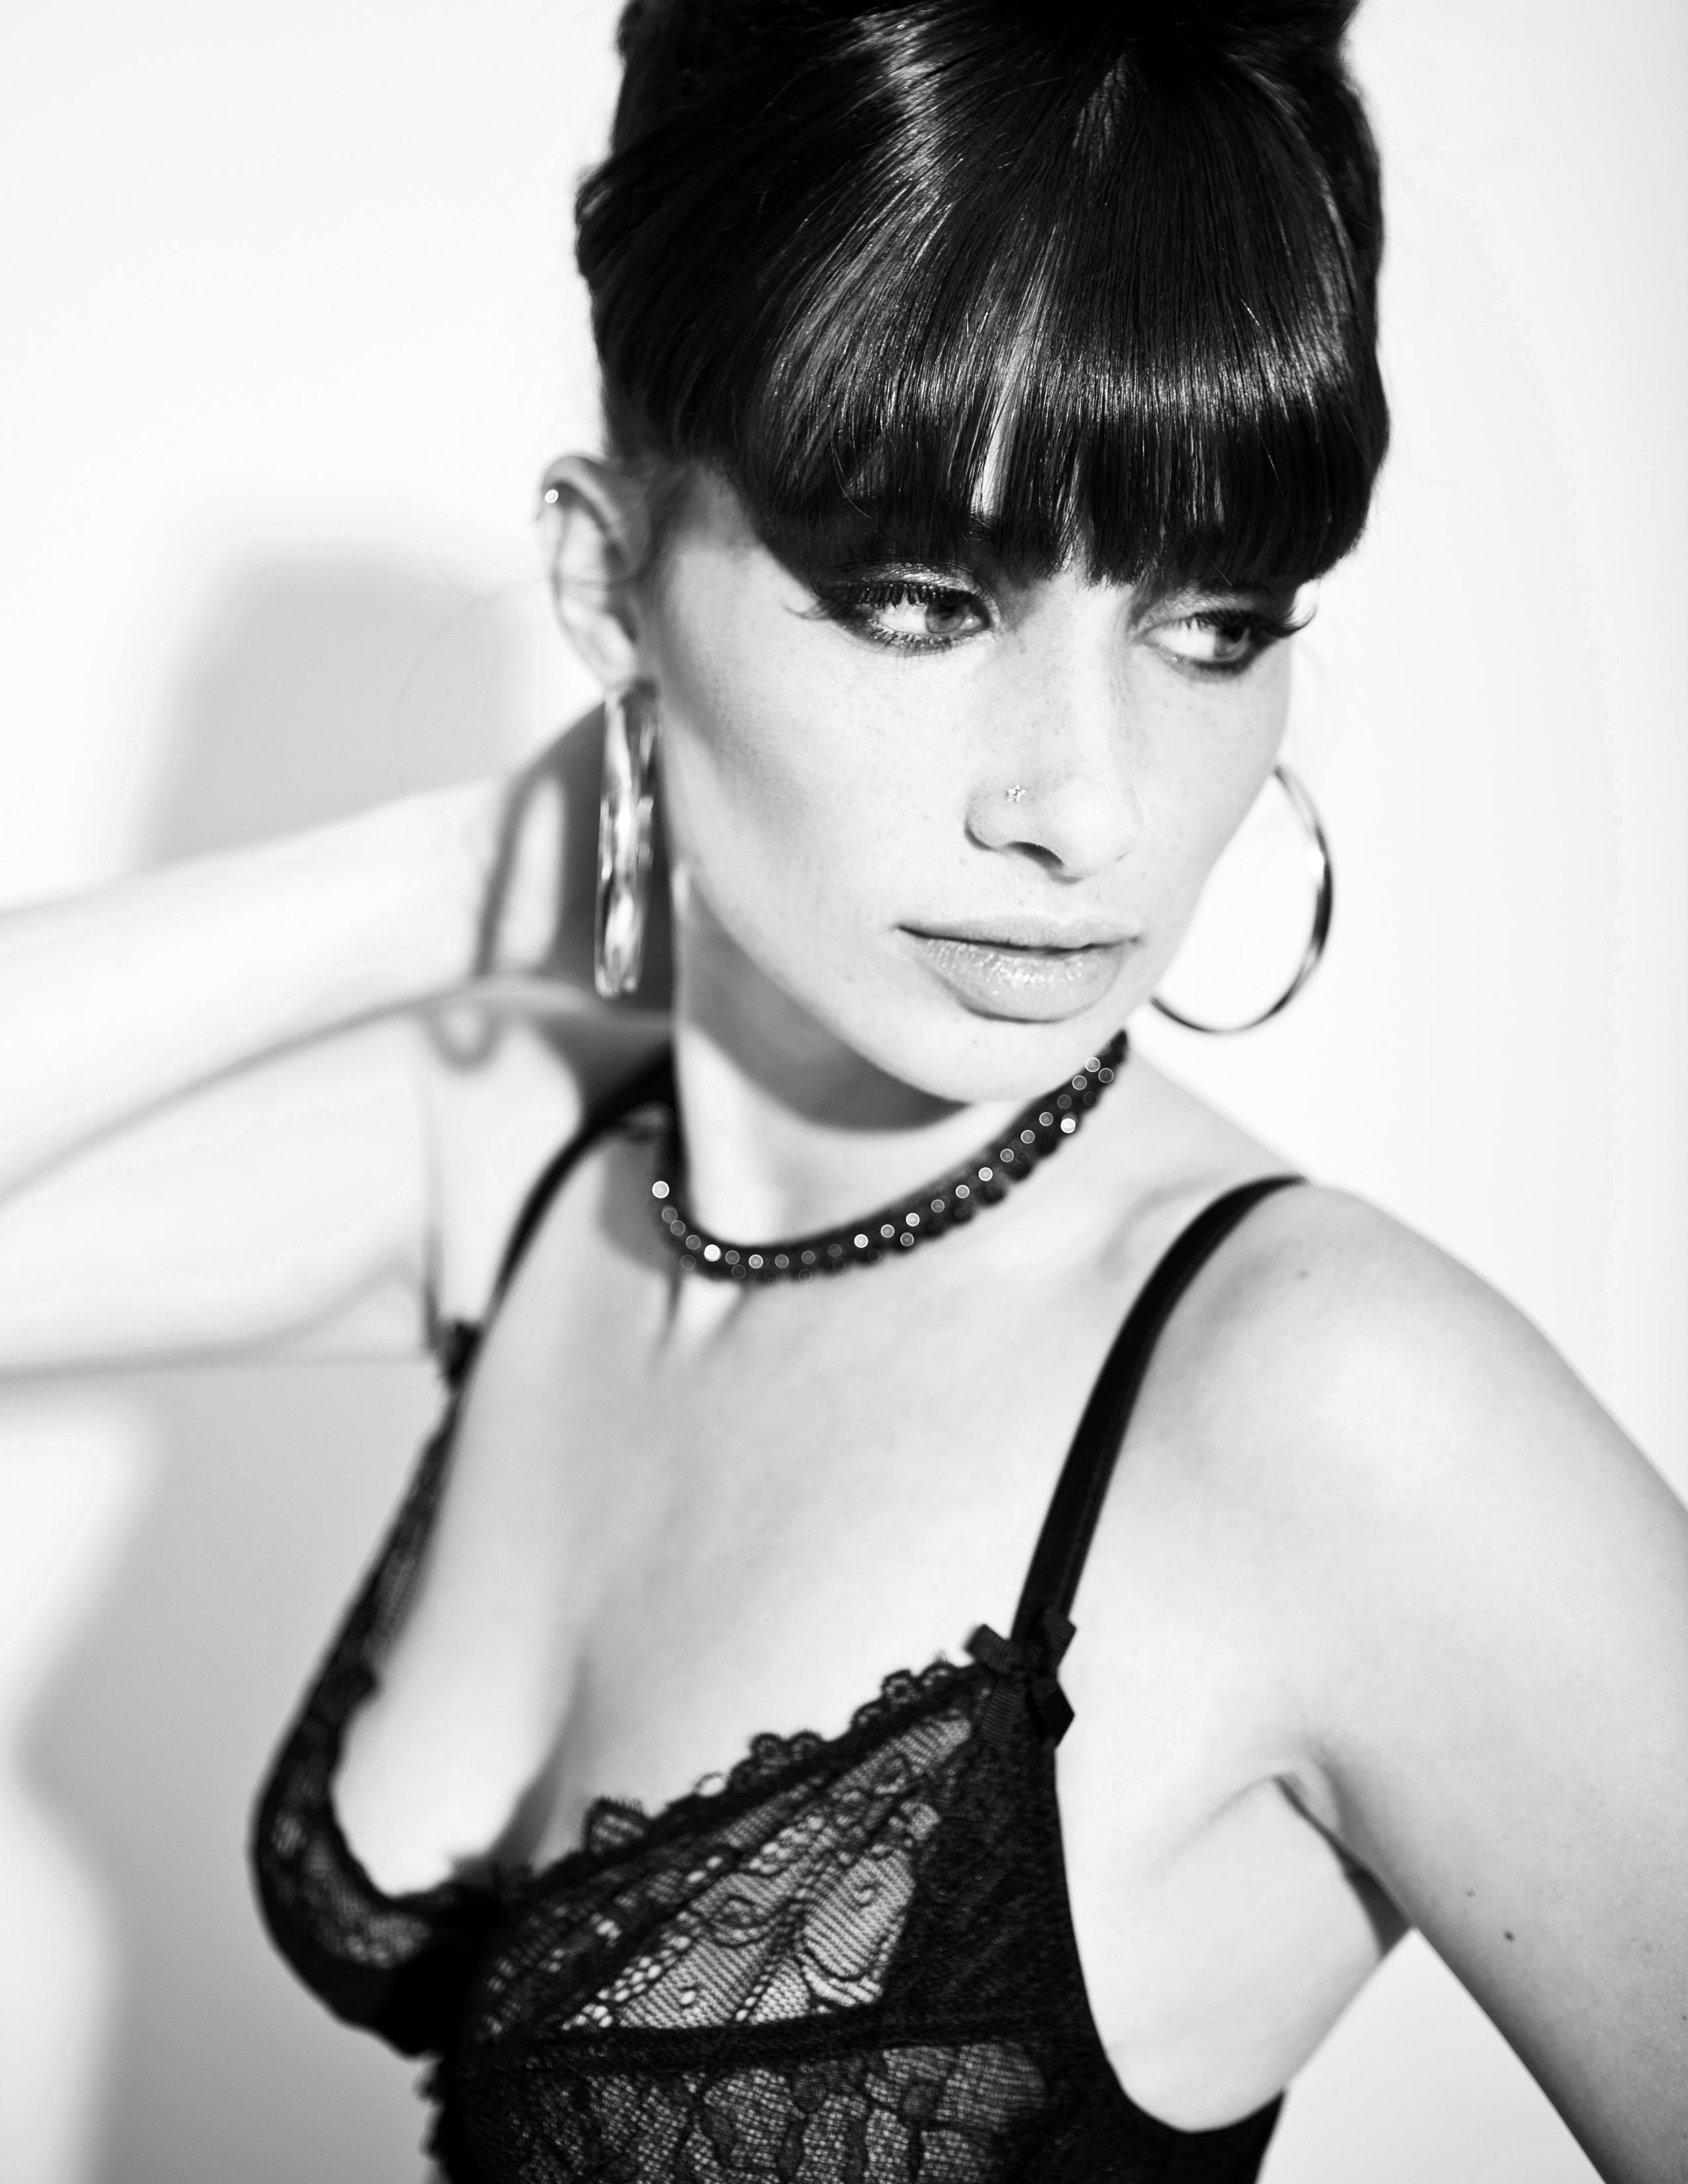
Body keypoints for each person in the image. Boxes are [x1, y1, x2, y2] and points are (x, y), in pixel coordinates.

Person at [1, 1, 1683, 2179]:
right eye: (921, 599)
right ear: (610, 582)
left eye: (1211, 621)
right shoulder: (541, 1171)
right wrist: (444, 880)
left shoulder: (1338, 1411)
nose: (1089, 807)